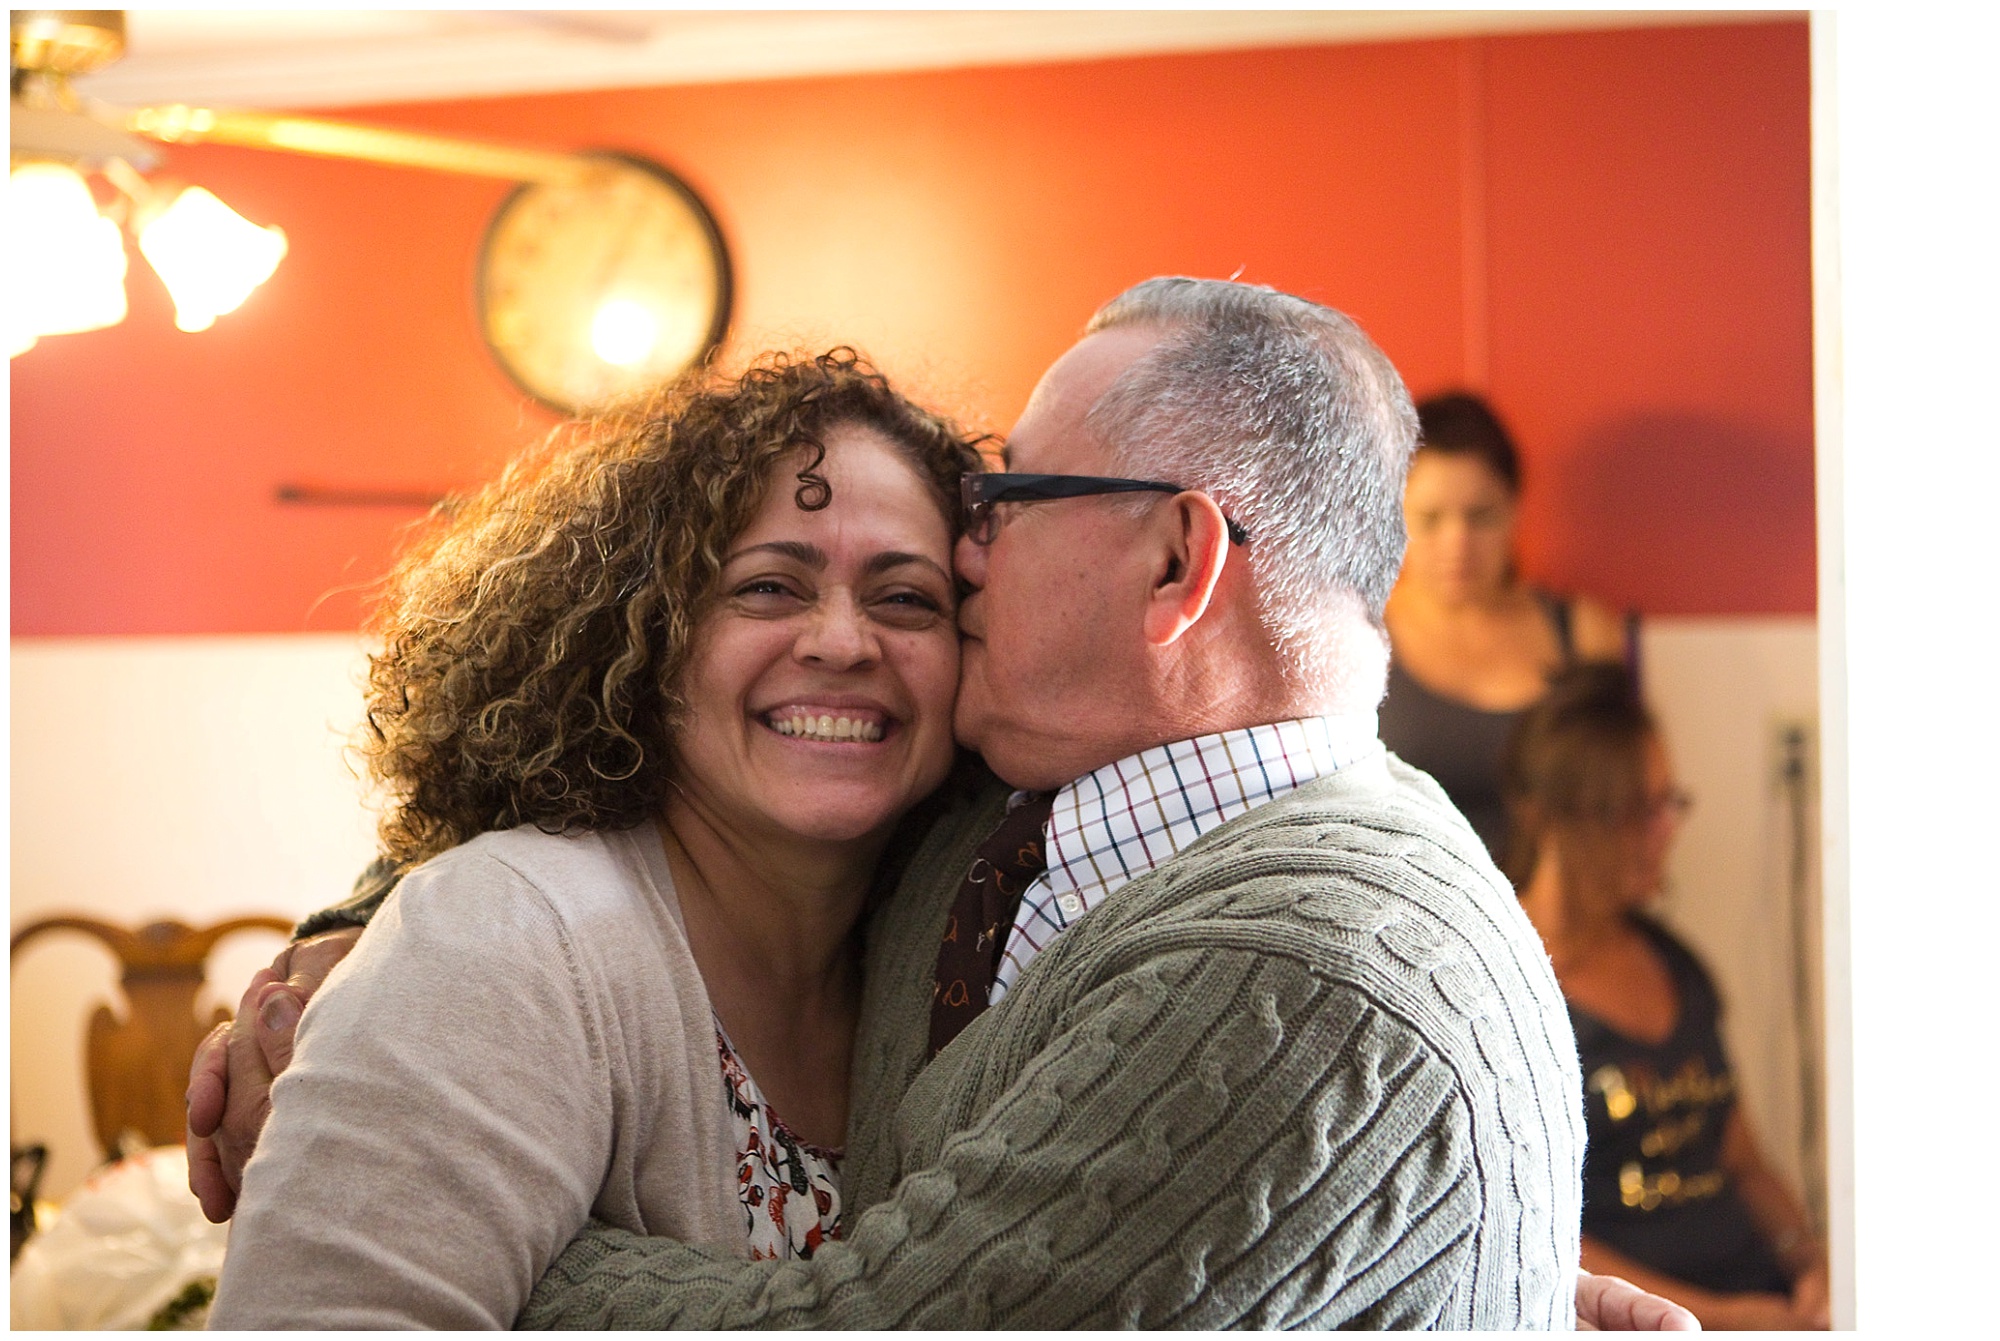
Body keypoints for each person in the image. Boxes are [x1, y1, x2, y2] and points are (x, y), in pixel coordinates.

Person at [194, 279, 1700, 1330]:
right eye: (771, 586)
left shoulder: (1283, 951)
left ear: (1177, 569)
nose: (956, 568)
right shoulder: (1015, 807)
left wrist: (504, 1261)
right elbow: (538, 824)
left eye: (997, 513)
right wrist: (355, 957)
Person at [203, 351, 985, 1326]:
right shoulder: (498, 937)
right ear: (642, 636)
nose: (841, 639)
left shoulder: (966, 953)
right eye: (769, 588)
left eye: (905, 598)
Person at [1502, 661, 1831, 1330]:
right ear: (1556, 819)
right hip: (1638, 1317)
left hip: (1758, 1294)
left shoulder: (1675, 963)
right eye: (1636, 810)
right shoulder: (1509, 987)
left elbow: (1743, 1159)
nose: (1666, 829)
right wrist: (1724, 1318)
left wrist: (1810, 1263)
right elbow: (1535, 1228)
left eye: (1668, 802)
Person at [1379, 391, 1628, 860]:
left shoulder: (1585, 634)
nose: (1458, 543)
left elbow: (1620, 798)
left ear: (1514, 509)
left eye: (1481, 517)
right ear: (1395, 515)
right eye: (1430, 519)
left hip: (1552, 920)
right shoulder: (1359, 638)